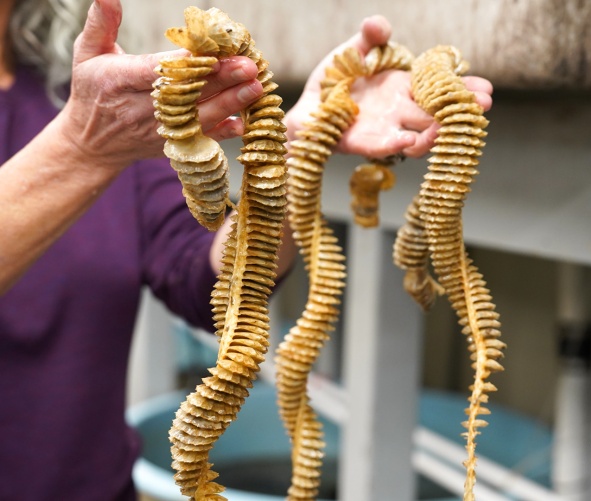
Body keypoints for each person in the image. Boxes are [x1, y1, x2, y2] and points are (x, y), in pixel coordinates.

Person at [0, 0, 493, 499]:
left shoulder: (84, 103)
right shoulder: (92, 121)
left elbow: (207, 280)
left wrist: (294, 147)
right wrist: (80, 147)